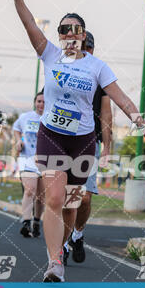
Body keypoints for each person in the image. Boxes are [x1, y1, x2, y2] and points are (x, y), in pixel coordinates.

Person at [7, 0, 145, 282]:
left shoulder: (97, 66)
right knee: (53, 199)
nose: (68, 34)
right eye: (64, 30)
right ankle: (55, 263)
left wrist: (143, 125)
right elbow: (28, 23)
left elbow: (122, 99)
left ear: (82, 34)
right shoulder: (49, 54)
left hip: (81, 142)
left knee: (70, 204)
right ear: (60, 36)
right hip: (51, 135)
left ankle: (62, 246)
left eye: (74, 30)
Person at [62, 31, 112, 265]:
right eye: (84, 47)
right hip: (61, 140)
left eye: (90, 48)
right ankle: (61, 244)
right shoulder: (63, 70)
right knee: (64, 196)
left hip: (90, 141)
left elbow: (107, 113)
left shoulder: (100, 74)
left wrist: (108, 148)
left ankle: (77, 235)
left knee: (84, 199)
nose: (87, 52)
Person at [13, 91, 45, 238]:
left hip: (46, 161)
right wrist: (18, 141)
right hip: (27, 158)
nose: (41, 104)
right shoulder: (25, 117)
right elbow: (16, 129)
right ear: (34, 102)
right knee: (29, 190)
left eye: (44, 102)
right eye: (39, 101)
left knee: (41, 196)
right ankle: (26, 222)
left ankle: (37, 221)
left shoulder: (51, 119)